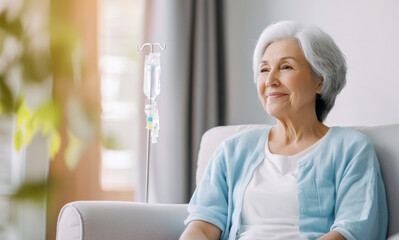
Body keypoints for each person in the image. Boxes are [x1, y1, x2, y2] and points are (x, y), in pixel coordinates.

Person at [180, 21, 388, 240]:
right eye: (264, 69)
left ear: (320, 81)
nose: (270, 80)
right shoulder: (232, 150)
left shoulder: (351, 148)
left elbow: (353, 230)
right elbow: (202, 226)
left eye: (286, 67)